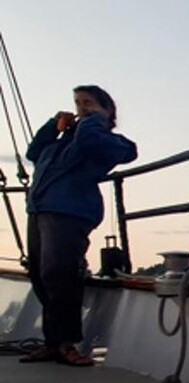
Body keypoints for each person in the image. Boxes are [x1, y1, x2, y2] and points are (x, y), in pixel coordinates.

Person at [19, 85, 137, 366]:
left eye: (88, 103)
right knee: (40, 274)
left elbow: (92, 145)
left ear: (106, 110)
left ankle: (68, 343)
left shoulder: (109, 141)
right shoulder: (60, 144)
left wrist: (95, 120)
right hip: (40, 211)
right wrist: (54, 126)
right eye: (77, 102)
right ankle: (52, 343)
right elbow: (34, 152)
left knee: (60, 274)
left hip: (69, 212)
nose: (80, 107)